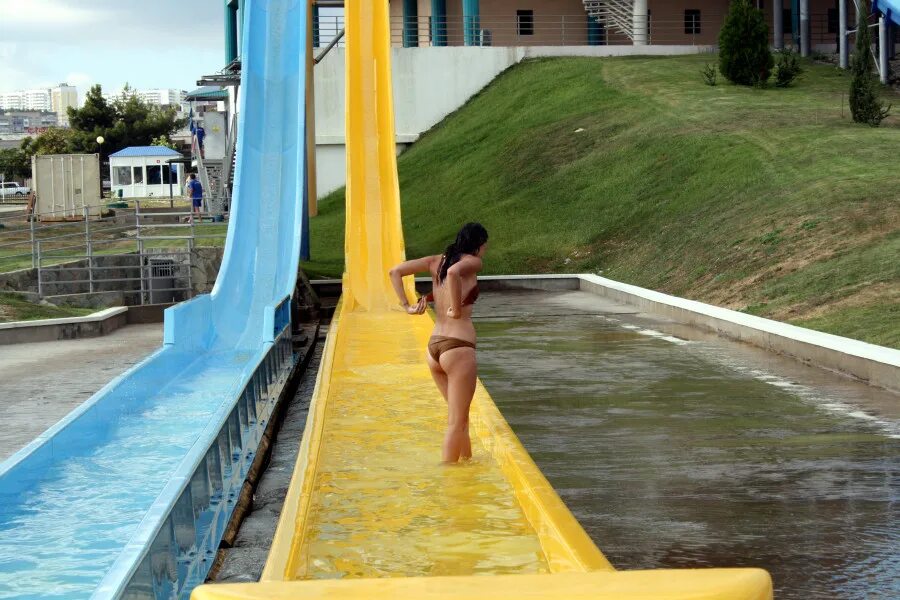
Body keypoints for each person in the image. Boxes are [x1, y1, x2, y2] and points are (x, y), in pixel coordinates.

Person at [389, 223, 489, 464]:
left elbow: (395, 271)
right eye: (485, 245)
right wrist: (455, 308)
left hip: (434, 347)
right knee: (456, 421)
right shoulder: (473, 262)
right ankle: (449, 479)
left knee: (459, 418)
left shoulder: (436, 261)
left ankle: (466, 462)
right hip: (458, 347)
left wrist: (407, 306)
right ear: (479, 244)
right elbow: (454, 273)